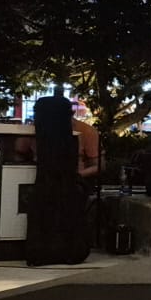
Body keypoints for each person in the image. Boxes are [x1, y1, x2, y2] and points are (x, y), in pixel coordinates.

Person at [24, 96, 90, 265]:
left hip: (45, 181)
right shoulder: (72, 137)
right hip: (66, 183)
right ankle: (68, 249)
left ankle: (42, 250)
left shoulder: (40, 136)